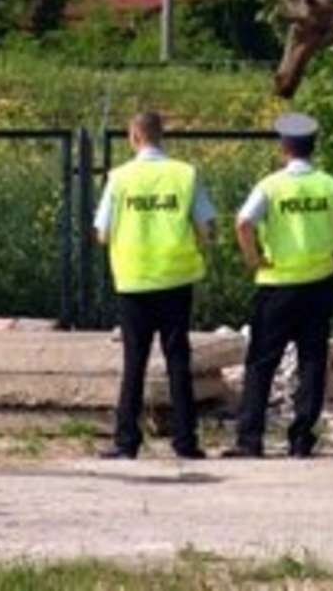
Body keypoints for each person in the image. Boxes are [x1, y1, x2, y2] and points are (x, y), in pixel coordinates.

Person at [224, 112, 333, 459]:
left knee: (262, 362)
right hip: (320, 283)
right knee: (312, 360)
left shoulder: (271, 186)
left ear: (283, 147)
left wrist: (254, 258)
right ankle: (301, 439)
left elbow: (243, 222)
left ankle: (250, 440)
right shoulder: (331, 185)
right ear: (313, 147)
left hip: (277, 285)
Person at [94, 108, 214, 461]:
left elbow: (102, 233)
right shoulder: (185, 175)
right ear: (162, 136)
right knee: (178, 358)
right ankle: (185, 441)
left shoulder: (119, 178)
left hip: (133, 280)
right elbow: (207, 228)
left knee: (135, 361)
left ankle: (126, 441)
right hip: (176, 278)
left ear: (133, 136)